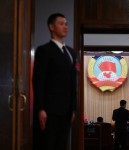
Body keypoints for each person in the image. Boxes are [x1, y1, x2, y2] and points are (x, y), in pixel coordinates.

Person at [32, 13, 77, 150]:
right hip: (50, 109)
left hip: (67, 109)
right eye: (61, 23)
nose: (65, 27)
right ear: (51, 27)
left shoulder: (71, 52)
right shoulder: (44, 50)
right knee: (48, 144)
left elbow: (73, 82)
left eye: (66, 24)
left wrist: (73, 108)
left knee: (62, 145)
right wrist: (40, 109)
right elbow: (38, 80)